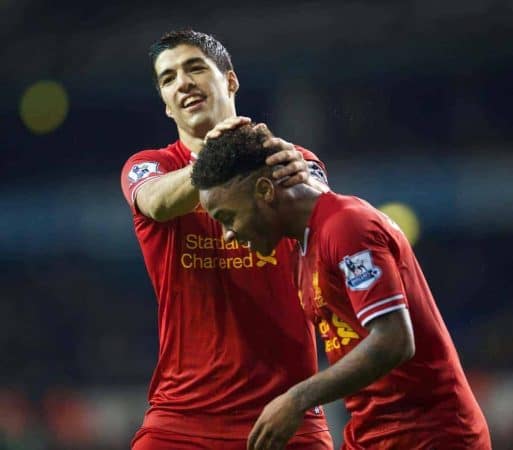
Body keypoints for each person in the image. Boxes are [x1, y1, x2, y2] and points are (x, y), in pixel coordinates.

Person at [190, 122, 493, 450]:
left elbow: (394, 340)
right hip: (372, 434)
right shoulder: (302, 252)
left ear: (265, 191)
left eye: (227, 217)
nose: (228, 235)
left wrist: (298, 398)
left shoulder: (347, 225)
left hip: (432, 436)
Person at [120, 30, 333, 450]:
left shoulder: (291, 158)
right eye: (168, 78)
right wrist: (216, 158)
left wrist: (302, 179)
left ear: (230, 81)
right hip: (180, 419)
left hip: (287, 415)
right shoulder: (149, 167)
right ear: (165, 104)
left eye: (194, 67)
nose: (182, 82)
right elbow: (157, 203)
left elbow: (329, 214)